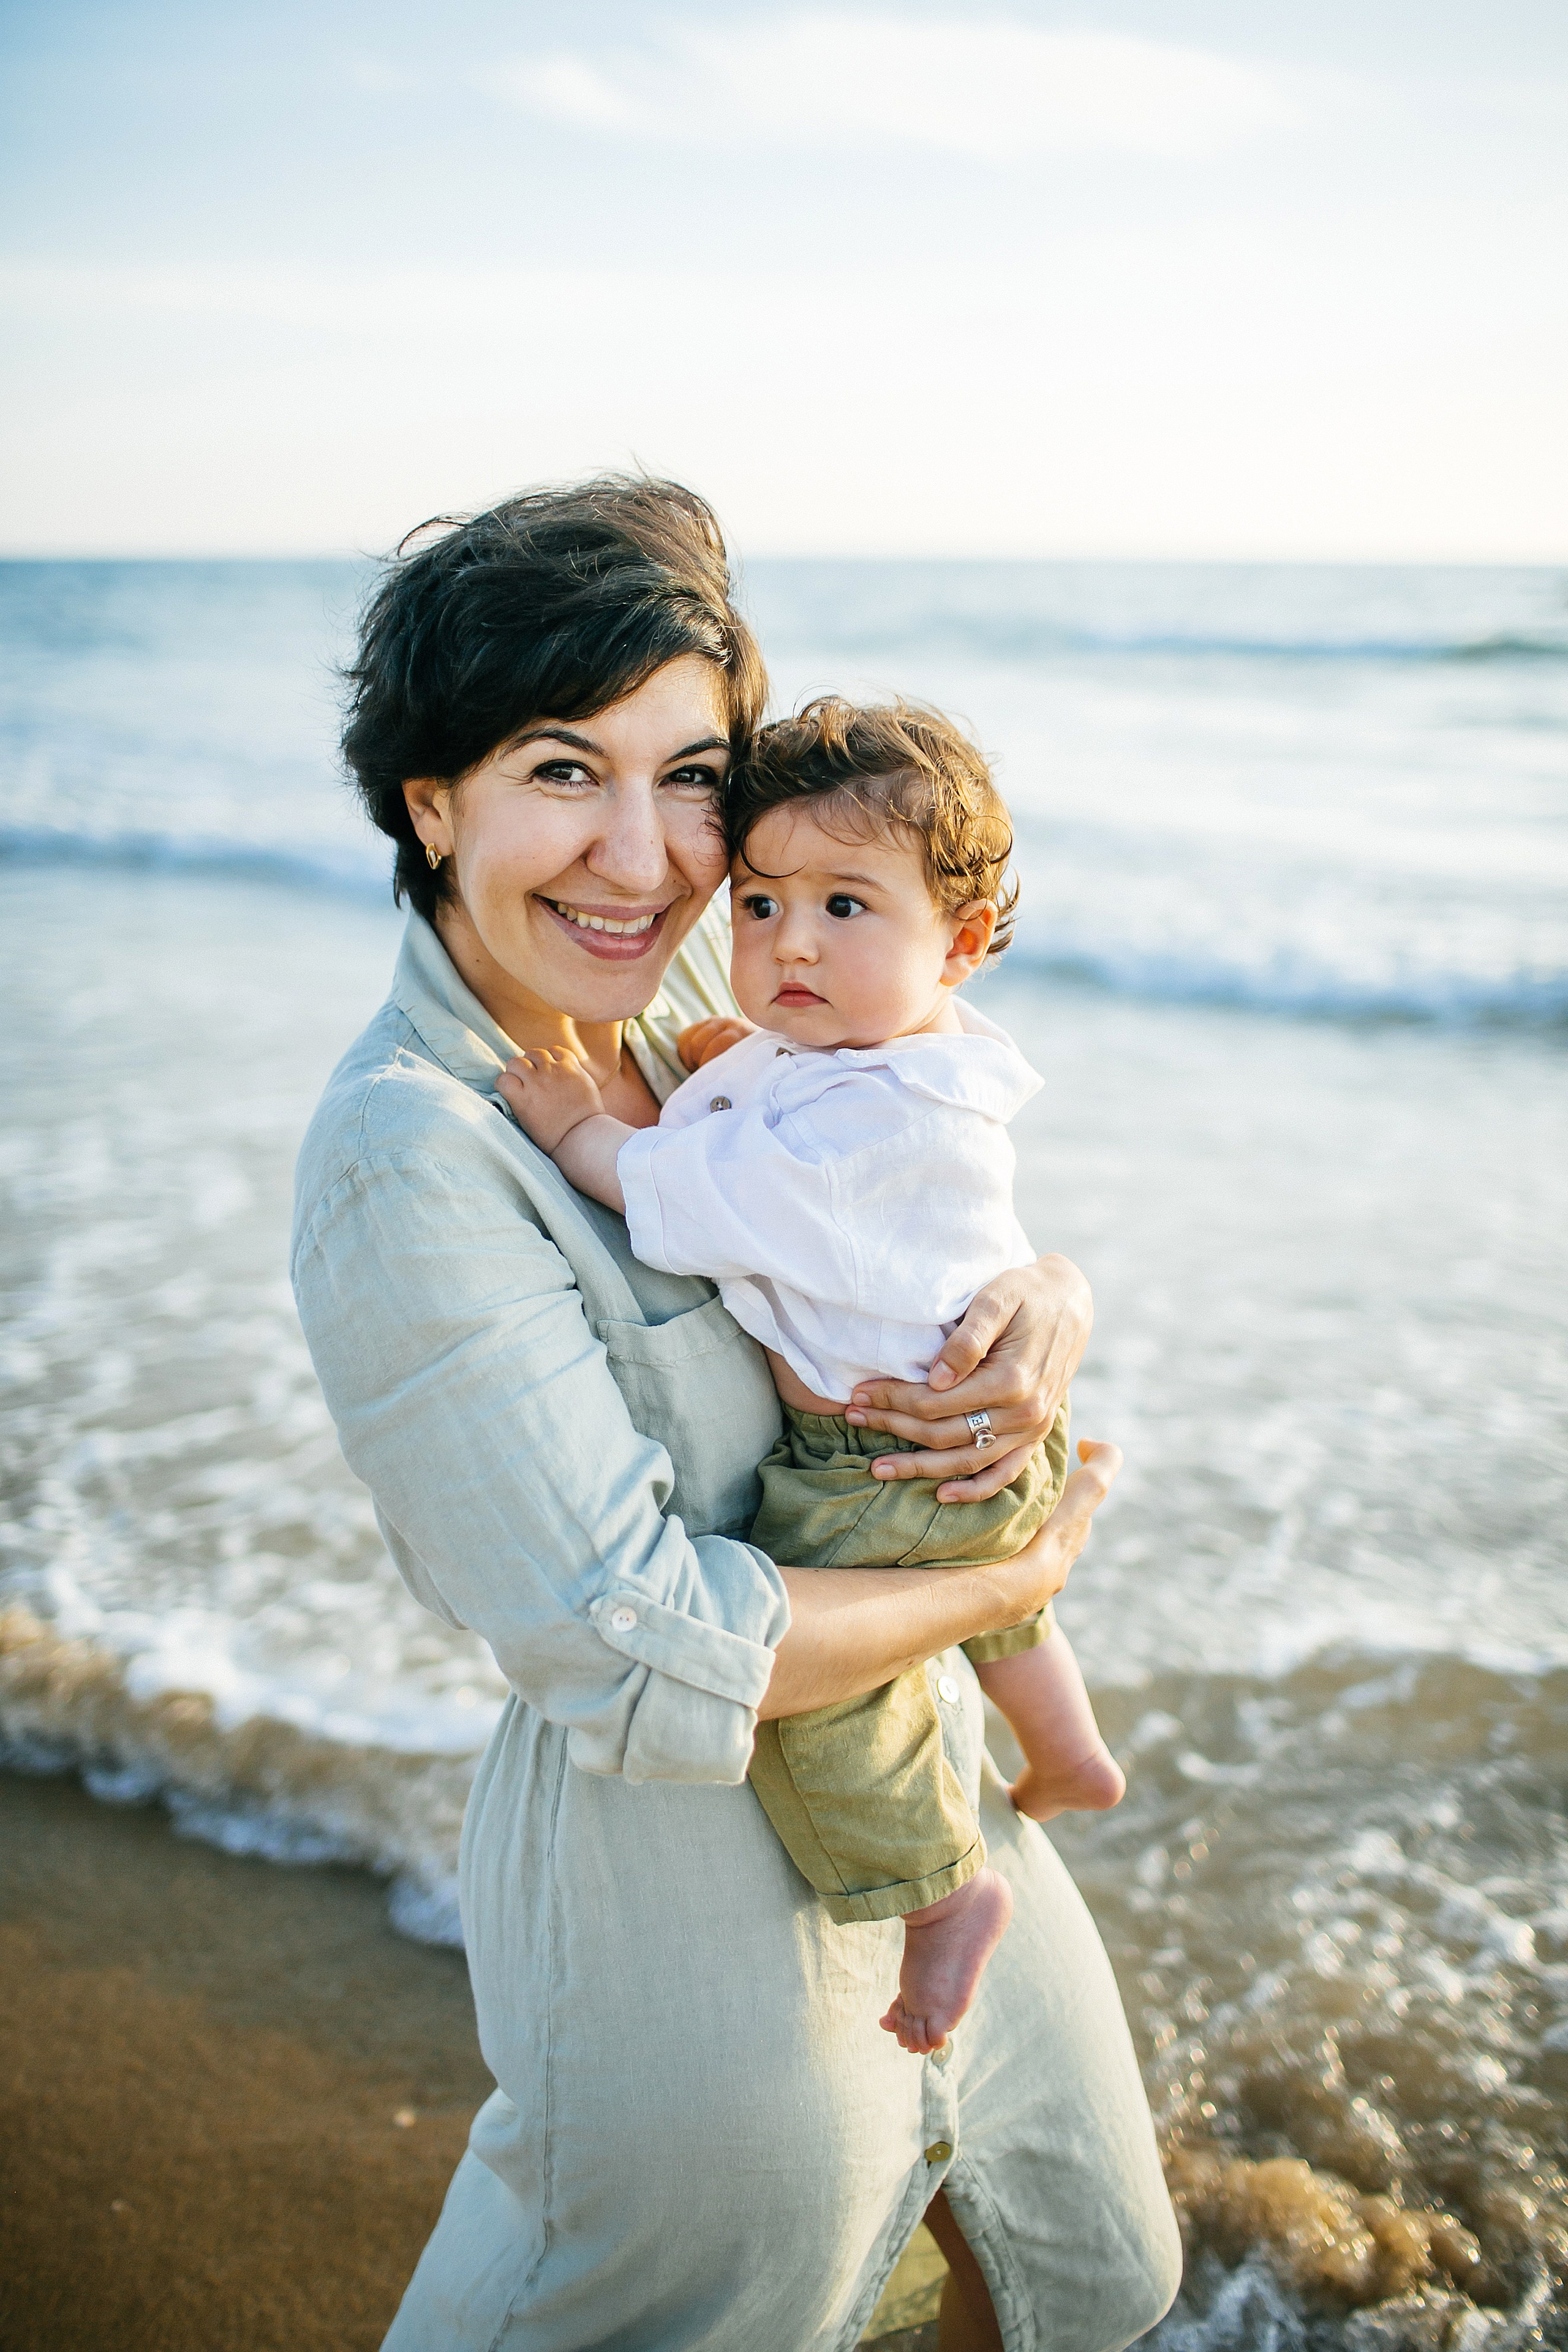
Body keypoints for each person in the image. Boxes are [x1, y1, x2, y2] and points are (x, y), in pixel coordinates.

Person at [293, 477, 1180, 2351]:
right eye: (560, 769)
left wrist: (1051, 1304)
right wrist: (1012, 1567)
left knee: (1100, 2273)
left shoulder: (715, 966)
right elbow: (636, 1651)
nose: (645, 852)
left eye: (691, 774)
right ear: (426, 799)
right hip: (678, 1891)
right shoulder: (410, 1154)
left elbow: (919, 1195)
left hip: (926, 1788)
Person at [498, 696, 1125, 2065]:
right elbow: (791, 1092)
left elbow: (680, 1194)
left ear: (957, 944)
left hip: (874, 1459)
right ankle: (1067, 1746)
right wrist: (754, 1059)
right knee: (1001, 1567)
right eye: (762, 902)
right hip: (976, 1437)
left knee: (830, 1681)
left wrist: (571, 1128)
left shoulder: (848, 1130)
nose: (788, 944)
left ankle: (945, 1891)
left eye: (845, 908)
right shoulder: (908, 1054)